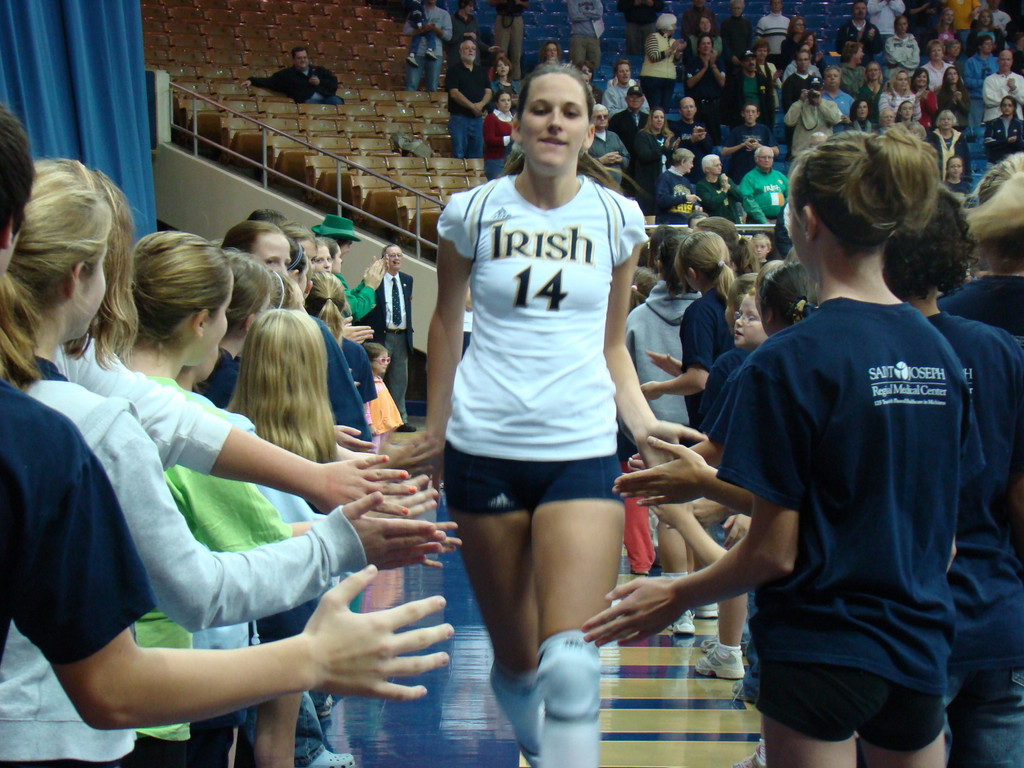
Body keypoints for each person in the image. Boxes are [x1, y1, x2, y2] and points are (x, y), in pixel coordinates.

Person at [0, 127, 451, 755]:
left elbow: (162, 413)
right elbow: (189, 599)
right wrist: (316, 635)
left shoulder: (78, 400)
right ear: (81, 278)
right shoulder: (81, 428)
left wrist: (320, 477)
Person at [585, 128, 975, 768]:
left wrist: (677, 594)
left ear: (808, 221)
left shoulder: (790, 359)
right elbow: (945, 537)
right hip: (920, 644)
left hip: (819, 648)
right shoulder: (938, 352)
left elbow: (772, 550)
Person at [425, 62, 680, 768]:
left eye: (570, 111)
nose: (554, 123)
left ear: (590, 126)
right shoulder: (470, 210)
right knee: (518, 665)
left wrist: (647, 429)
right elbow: (446, 323)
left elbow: (612, 345)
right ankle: (537, 741)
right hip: (484, 449)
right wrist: (435, 430)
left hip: (580, 446)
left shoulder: (616, 216)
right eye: (541, 109)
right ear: (518, 119)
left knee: (571, 662)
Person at [883, 189, 1024, 768]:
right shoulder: (995, 351)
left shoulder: (858, 349)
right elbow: (1018, 493)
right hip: (995, 610)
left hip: (904, 620)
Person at [364, 244, 415, 430]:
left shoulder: (407, 280)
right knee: (378, 378)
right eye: (392, 255)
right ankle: (376, 418)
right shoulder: (375, 280)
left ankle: (400, 419)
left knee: (400, 380)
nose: (396, 258)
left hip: (401, 336)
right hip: (381, 335)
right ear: (384, 258)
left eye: (399, 255)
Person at [310, 215, 385, 322]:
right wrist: (370, 287)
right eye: (348, 244)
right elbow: (352, 310)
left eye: (328, 259)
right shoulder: (327, 279)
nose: (349, 250)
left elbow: (349, 298)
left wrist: (365, 284)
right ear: (336, 243)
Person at [241, 47, 343, 104]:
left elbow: (333, 83)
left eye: (305, 57)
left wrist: (320, 82)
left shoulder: (319, 71)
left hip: (326, 98)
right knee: (312, 106)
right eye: (299, 58)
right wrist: (252, 80)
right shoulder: (287, 74)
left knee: (337, 101)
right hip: (307, 102)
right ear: (294, 60)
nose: (303, 60)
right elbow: (270, 81)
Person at [447, 37, 493, 159]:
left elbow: (488, 91)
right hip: (459, 119)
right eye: (467, 48)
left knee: (477, 155)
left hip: (477, 119)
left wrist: (480, 105)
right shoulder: (453, 70)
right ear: (460, 51)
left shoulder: (482, 71)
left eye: (473, 49)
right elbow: (454, 93)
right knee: (459, 153)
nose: (470, 51)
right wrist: (472, 106)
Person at [634, 107, 679, 214]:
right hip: (648, 182)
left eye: (662, 117)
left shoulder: (668, 136)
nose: (659, 120)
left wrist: (674, 150)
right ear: (651, 119)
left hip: (665, 181)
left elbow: (672, 161)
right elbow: (645, 156)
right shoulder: (643, 136)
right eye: (656, 117)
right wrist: (663, 148)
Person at [721, 101, 778, 182]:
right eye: (747, 112)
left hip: (760, 174)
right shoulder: (736, 131)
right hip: (740, 174)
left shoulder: (764, 130)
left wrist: (759, 147)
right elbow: (724, 152)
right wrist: (743, 145)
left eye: (753, 112)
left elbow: (776, 151)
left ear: (757, 114)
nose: (750, 114)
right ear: (743, 114)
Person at [363, 341, 405, 450]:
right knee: (374, 450)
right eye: (382, 360)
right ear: (369, 362)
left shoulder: (379, 380)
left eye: (387, 360)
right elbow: (366, 405)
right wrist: (369, 424)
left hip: (384, 426)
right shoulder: (368, 383)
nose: (386, 363)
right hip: (375, 426)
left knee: (383, 449)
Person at [686, 34, 728, 143]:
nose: (706, 46)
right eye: (703, 43)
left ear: (712, 47)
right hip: (697, 106)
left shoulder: (718, 62)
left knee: (715, 139)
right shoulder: (692, 62)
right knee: (697, 137)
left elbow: (722, 82)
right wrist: (704, 68)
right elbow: (690, 83)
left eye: (708, 43)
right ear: (698, 47)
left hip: (713, 106)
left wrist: (712, 65)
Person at [786, 75, 842, 155]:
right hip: (801, 151)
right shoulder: (799, 104)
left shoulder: (830, 104)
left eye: (817, 89)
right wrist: (801, 101)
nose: (815, 91)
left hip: (823, 152)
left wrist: (820, 104)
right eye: (812, 89)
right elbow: (789, 122)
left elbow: (835, 120)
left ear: (822, 90)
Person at [404, 0, 452, 91]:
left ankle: (431, 105)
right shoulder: (416, 10)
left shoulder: (444, 14)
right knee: (411, 85)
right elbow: (406, 30)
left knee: (432, 87)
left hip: (435, 54)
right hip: (417, 53)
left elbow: (448, 36)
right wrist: (420, 30)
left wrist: (434, 29)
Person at [641, 14, 686, 111]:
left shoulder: (673, 41)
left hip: (669, 79)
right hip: (652, 78)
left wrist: (678, 51)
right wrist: (672, 48)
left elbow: (676, 62)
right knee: (655, 109)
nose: (675, 27)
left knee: (664, 110)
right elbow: (654, 56)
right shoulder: (653, 37)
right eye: (674, 24)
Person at [723, 50, 776, 127]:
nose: (751, 62)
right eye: (747, 60)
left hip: (760, 122)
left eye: (753, 59)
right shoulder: (734, 80)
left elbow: (769, 101)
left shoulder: (762, 79)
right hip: (740, 123)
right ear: (742, 63)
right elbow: (727, 102)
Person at [737, 146, 788, 222]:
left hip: (780, 220)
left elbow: (790, 197)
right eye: (763, 157)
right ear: (756, 159)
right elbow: (747, 201)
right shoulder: (749, 178)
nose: (767, 160)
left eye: (769, 157)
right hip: (758, 221)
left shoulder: (780, 176)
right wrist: (763, 220)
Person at [670, 96, 714, 182]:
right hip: (682, 175)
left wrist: (702, 139)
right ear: (680, 110)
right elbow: (674, 149)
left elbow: (709, 149)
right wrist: (691, 140)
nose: (689, 110)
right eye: (685, 107)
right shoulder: (674, 127)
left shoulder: (701, 127)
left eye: (691, 107)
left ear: (695, 109)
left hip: (699, 173)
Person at [609, 85, 649, 179]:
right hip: (625, 164)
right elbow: (612, 141)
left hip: (644, 165)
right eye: (632, 97)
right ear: (626, 99)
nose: (635, 100)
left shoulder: (648, 118)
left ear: (642, 100)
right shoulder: (617, 118)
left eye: (638, 97)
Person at [654, 148, 701, 224]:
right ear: (683, 162)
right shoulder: (665, 178)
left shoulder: (686, 181)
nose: (692, 166)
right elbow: (662, 200)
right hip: (669, 225)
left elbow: (692, 199)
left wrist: (696, 206)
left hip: (685, 224)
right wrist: (685, 198)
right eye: (691, 162)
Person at [965, 33, 999, 135]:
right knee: (975, 127)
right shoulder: (970, 62)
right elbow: (967, 81)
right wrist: (984, 82)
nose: (989, 46)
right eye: (986, 44)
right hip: (976, 98)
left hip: (993, 100)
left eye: (991, 44)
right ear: (980, 46)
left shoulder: (996, 61)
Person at [589, 103, 631, 184]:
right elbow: (581, 164)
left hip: (616, 186)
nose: (602, 119)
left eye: (605, 116)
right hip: (596, 185)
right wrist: (600, 161)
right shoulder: (587, 138)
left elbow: (627, 158)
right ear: (591, 119)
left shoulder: (614, 136)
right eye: (599, 117)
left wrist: (621, 159)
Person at [927, 108, 973, 180]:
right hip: (937, 179)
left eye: (949, 119)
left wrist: (967, 177)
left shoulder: (960, 137)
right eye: (943, 119)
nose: (946, 121)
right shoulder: (932, 137)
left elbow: (966, 158)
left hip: (957, 180)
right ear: (939, 121)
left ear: (953, 121)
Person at [695, 155, 743, 223]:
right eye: (716, 165)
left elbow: (740, 197)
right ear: (707, 169)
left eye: (720, 165)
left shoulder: (726, 180)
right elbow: (711, 204)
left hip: (733, 221)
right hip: (715, 223)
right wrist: (724, 191)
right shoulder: (701, 186)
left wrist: (729, 187)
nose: (720, 167)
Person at [491, 0, 530, 79]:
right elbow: (491, 3)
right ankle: (498, 81)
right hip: (502, 17)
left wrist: (519, 2)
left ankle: (516, 82)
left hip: (517, 18)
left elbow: (527, 4)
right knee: (500, 53)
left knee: (516, 54)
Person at [983, 49, 1024, 122]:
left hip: (1017, 121)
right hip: (994, 120)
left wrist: (1014, 89)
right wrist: (1008, 92)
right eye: (1003, 59)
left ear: (1012, 61)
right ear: (998, 61)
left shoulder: (1020, 78)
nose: (1005, 62)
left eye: (1008, 59)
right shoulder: (989, 80)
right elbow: (988, 100)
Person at [484, 89, 515, 179]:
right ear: (496, 103)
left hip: (512, 161)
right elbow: (489, 140)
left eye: (508, 100)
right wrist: (510, 138)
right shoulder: (491, 118)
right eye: (503, 100)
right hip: (495, 160)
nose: (506, 103)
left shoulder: (514, 118)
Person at [983, 95, 1024, 162]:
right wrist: (1006, 141)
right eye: (1004, 105)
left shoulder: (1021, 124)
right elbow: (988, 142)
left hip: (1016, 160)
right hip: (997, 160)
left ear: (1014, 108)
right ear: (1001, 108)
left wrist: (1016, 141)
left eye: (1010, 105)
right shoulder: (993, 123)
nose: (1007, 108)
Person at [568, 0, 604, 69]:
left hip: (594, 37)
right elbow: (574, 16)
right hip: (578, 37)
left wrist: (583, 12)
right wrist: (591, 15)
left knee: (595, 66)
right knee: (578, 67)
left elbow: (599, 13)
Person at [754, 0, 790, 68]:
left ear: (781, 5)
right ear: (770, 5)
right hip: (768, 56)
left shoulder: (787, 21)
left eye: (778, 3)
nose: (776, 5)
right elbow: (758, 41)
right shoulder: (763, 21)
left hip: (783, 57)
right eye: (774, 3)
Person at [936, 65, 971, 129]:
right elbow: (942, 111)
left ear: (958, 76)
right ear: (946, 77)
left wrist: (960, 101)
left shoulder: (964, 91)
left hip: (962, 125)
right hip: (947, 125)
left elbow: (967, 110)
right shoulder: (941, 93)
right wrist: (953, 101)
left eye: (955, 74)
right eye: (950, 74)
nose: (953, 76)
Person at [721, 0, 753, 70]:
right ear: (731, 9)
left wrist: (746, 57)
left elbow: (749, 41)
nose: (736, 10)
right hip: (730, 60)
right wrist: (731, 56)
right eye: (734, 8)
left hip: (744, 59)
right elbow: (724, 42)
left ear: (742, 9)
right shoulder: (725, 23)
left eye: (738, 8)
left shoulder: (747, 23)